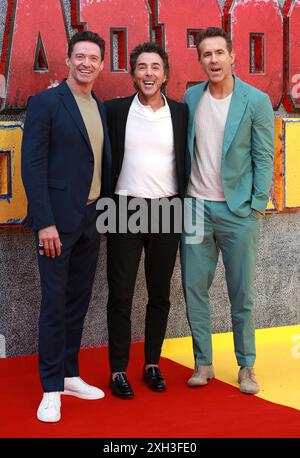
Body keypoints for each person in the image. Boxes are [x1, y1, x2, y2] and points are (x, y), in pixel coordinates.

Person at [21, 30, 111, 422]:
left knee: (78, 299)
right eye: (80, 56)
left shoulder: (100, 106)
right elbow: (33, 166)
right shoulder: (46, 103)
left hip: (91, 219)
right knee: (54, 303)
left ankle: (71, 374)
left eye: (94, 57)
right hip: (56, 224)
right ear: (68, 60)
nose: (87, 63)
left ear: (102, 64)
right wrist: (45, 224)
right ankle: (51, 387)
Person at [181, 27, 274, 394]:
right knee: (194, 289)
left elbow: (264, 156)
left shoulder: (256, 100)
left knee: (242, 293)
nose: (214, 60)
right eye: (207, 54)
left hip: (238, 212)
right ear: (200, 60)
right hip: (194, 209)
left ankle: (246, 366)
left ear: (233, 56)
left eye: (220, 53)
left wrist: (256, 205)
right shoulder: (190, 98)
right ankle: (203, 363)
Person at [104, 42, 188, 398]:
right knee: (120, 295)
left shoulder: (182, 113)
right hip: (123, 208)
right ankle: (118, 370)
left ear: (165, 74)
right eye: (142, 67)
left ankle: (152, 363)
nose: (149, 73)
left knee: (160, 293)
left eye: (155, 67)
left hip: (168, 208)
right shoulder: (114, 111)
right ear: (133, 74)